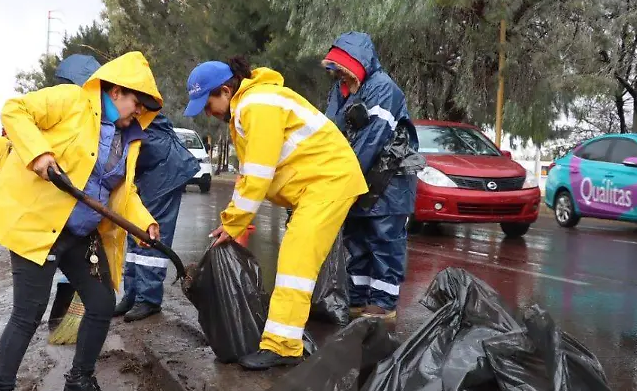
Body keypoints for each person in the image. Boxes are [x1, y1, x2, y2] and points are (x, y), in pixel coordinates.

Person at [0, 51, 163, 391]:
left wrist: (145, 223)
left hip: (81, 235)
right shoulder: (72, 101)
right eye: (137, 102)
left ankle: (79, 379)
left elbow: (122, 190)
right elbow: (15, 109)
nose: (139, 111)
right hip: (40, 228)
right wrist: (39, 154)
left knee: (102, 302)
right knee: (28, 314)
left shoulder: (127, 138)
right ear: (117, 91)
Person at [183, 57, 367, 370]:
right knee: (295, 263)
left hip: (328, 183)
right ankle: (282, 342)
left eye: (207, 103)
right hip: (320, 184)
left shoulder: (257, 105)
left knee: (296, 264)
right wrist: (231, 219)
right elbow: (247, 177)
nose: (207, 112)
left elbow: (258, 174)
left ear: (226, 91)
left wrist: (234, 222)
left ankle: (283, 347)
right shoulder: (252, 105)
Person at [323, 32, 419, 320]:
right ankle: (359, 297)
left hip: (388, 182)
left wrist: (340, 178)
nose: (339, 75)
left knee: (384, 239)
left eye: (342, 69)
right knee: (357, 240)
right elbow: (330, 130)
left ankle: (383, 302)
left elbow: (373, 138)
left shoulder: (383, 89)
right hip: (360, 177)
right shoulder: (342, 91)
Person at [113, 111, 200, 321]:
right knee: (135, 232)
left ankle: (148, 299)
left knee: (151, 234)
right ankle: (132, 294)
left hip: (164, 171)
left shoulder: (130, 102)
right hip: (146, 171)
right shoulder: (114, 102)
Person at [46, 54, 105, 329]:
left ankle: (65, 313)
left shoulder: (95, 122)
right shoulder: (63, 110)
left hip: (78, 215)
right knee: (30, 305)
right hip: (51, 215)